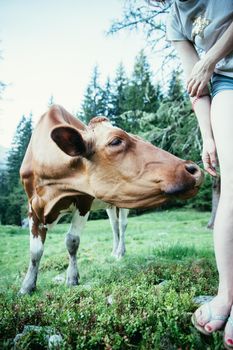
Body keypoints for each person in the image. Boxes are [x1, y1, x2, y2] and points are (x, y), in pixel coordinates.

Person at [149, 0, 233, 348]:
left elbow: (204, 65)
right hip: (227, 84)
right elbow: (197, 81)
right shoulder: (175, 20)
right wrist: (208, 135)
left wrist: (210, 58)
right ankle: (227, 293)